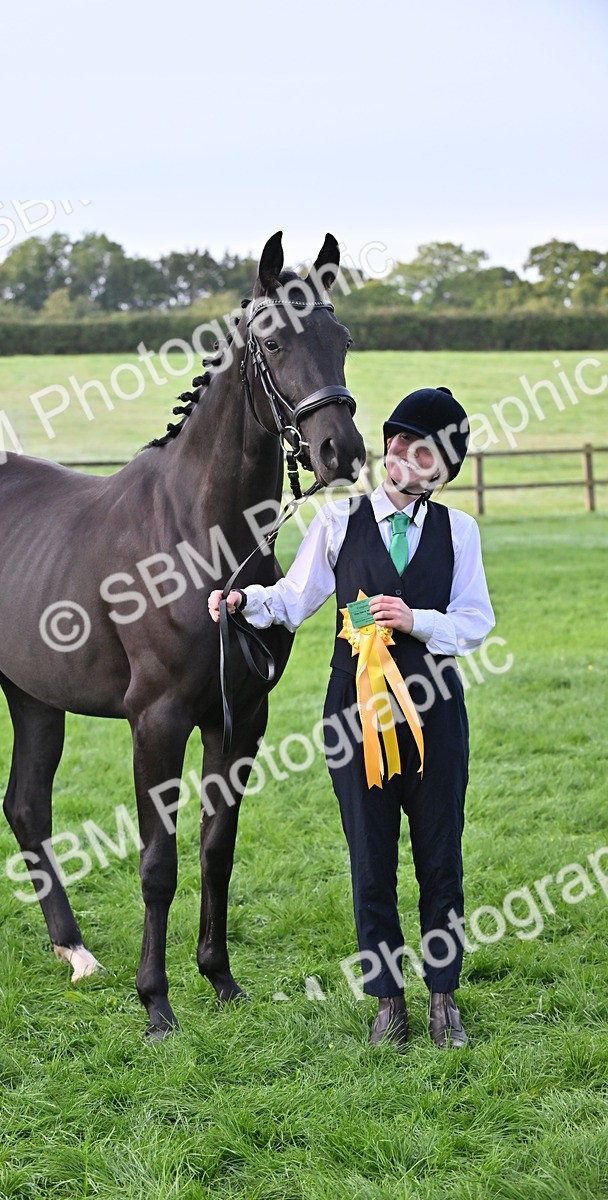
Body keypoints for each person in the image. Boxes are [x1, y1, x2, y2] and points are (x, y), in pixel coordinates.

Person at [209, 387, 495, 1049]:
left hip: (435, 714)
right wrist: (241, 599)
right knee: (370, 861)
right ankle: (387, 1000)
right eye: (396, 437)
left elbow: (476, 621)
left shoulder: (462, 532)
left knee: (441, 858)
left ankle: (443, 997)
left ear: (440, 470)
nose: (398, 451)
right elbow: (290, 600)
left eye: (418, 447)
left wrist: (417, 620)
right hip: (354, 715)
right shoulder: (338, 522)